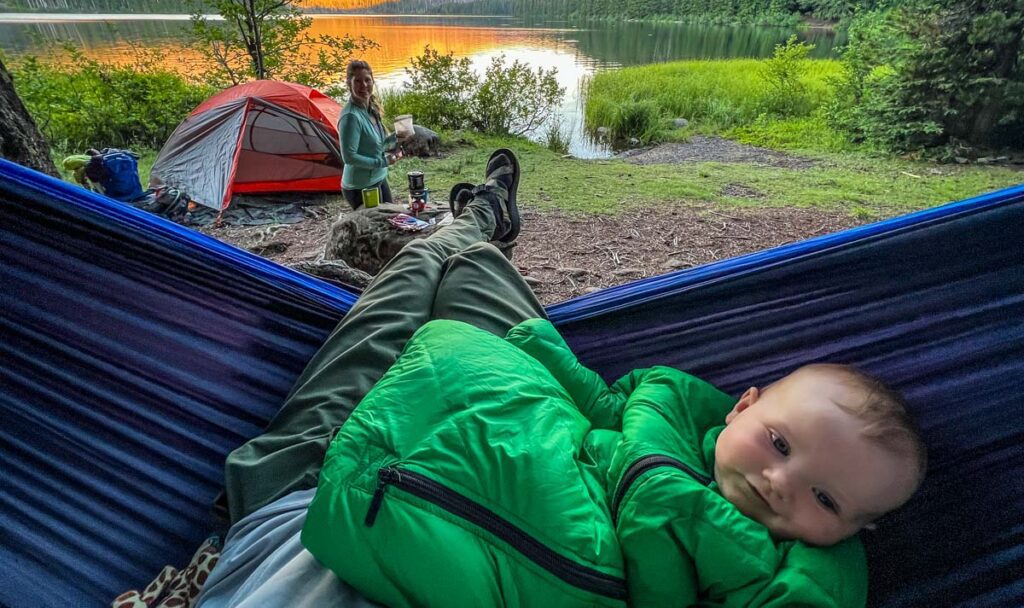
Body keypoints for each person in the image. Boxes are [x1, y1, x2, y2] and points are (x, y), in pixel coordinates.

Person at [205, 149, 924, 608]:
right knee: (464, 270)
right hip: (480, 424)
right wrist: (540, 350)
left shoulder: (791, 580)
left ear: (859, 529)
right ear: (742, 409)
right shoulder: (673, 421)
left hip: (294, 510)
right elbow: (603, 406)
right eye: (779, 445)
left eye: (824, 499)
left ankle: (476, 217)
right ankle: (479, 217)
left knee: (429, 273)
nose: (781, 485)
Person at [338, 60, 408, 209]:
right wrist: (381, 162)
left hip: (379, 178)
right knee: (375, 229)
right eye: (357, 81)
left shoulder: (370, 109)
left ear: (373, 81)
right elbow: (349, 157)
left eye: (367, 80)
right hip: (360, 186)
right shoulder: (351, 117)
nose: (363, 85)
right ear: (349, 84)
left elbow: (377, 143)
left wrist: (397, 138)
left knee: (392, 221)